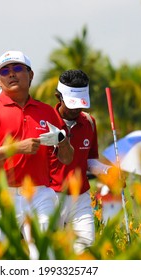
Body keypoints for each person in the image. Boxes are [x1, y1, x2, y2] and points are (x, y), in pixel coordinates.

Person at [0, 50, 74, 259]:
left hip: (39, 193)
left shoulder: (47, 112)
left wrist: (62, 141)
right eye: (4, 71)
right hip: (1, 194)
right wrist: (16, 148)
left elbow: (67, 158)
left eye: (17, 68)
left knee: (45, 257)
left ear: (31, 75)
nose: (11, 74)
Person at [48, 69, 122, 254]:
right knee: (50, 255)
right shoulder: (44, 121)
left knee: (86, 251)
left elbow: (89, 161)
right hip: (50, 197)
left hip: (80, 198)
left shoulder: (89, 122)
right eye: (72, 104)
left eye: (81, 104)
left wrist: (108, 172)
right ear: (59, 96)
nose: (76, 109)